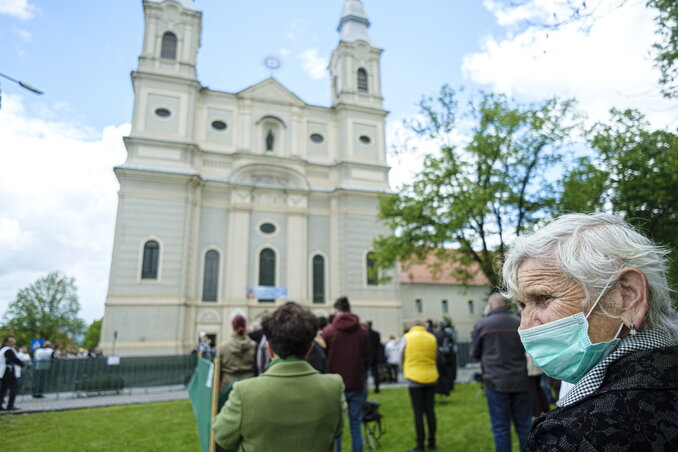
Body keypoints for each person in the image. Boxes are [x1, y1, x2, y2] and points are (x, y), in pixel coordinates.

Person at [502, 213, 678, 451]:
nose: (524, 326)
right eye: (522, 305)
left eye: (543, 298)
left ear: (627, 296)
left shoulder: (574, 435)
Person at [212, 303, 345, 451]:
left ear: (269, 349)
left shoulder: (243, 393)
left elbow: (222, 437)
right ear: (309, 349)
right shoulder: (334, 387)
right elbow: (337, 430)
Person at [471, 292, 531, 452]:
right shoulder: (518, 323)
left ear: (490, 306)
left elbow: (474, 353)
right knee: (525, 426)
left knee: (501, 428)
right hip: (520, 381)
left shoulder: (482, 325)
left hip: (495, 383)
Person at [322, 296, 369, 452]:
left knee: (336, 429)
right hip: (356, 383)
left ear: (336, 310)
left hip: (335, 386)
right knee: (356, 424)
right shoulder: (362, 331)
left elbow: (323, 359)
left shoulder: (328, 332)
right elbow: (368, 357)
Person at [402, 322, 439, 452]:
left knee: (418, 413)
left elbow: (400, 356)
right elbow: (435, 355)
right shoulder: (431, 337)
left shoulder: (407, 337)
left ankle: (420, 444)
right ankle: (432, 442)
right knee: (430, 411)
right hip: (431, 376)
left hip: (414, 378)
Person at [219, 315, 257, 390]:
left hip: (228, 386)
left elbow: (218, 370)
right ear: (245, 326)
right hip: (249, 385)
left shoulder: (223, 346)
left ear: (233, 327)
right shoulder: (254, 345)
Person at [0, 336, 25, 411]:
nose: (13, 342)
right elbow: (14, 359)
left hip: (3, 371)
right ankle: (10, 405)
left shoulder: (3, 349)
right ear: (7, 342)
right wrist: (22, 364)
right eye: (11, 341)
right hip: (8, 372)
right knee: (13, 388)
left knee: (3, 389)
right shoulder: (8, 350)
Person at [434, 320, 457, 396]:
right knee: (449, 373)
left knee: (445, 373)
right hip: (449, 355)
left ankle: (445, 389)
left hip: (443, 355)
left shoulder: (440, 334)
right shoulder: (449, 333)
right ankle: (449, 387)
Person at [366, 320, 384, 393]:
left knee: (365, 373)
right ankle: (377, 388)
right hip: (375, 356)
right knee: (376, 373)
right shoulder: (376, 334)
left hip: (367, 356)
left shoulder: (365, 333)